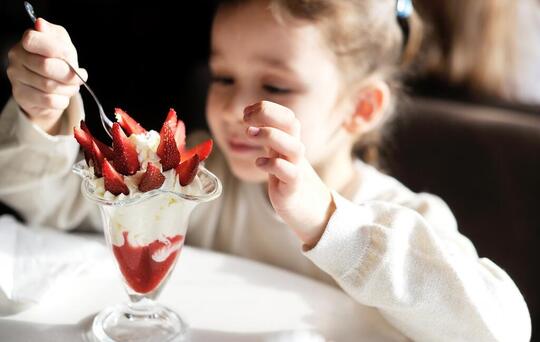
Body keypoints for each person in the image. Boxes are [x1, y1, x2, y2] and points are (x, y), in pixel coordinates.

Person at [0, 0, 531, 340]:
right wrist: (43, 114)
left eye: (275, 87)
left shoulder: (402, 217)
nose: (233, 108)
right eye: (224, 76)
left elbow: (500, 329)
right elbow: (47, 207)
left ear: (361, 108)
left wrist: (325, 219)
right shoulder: (207, 188)